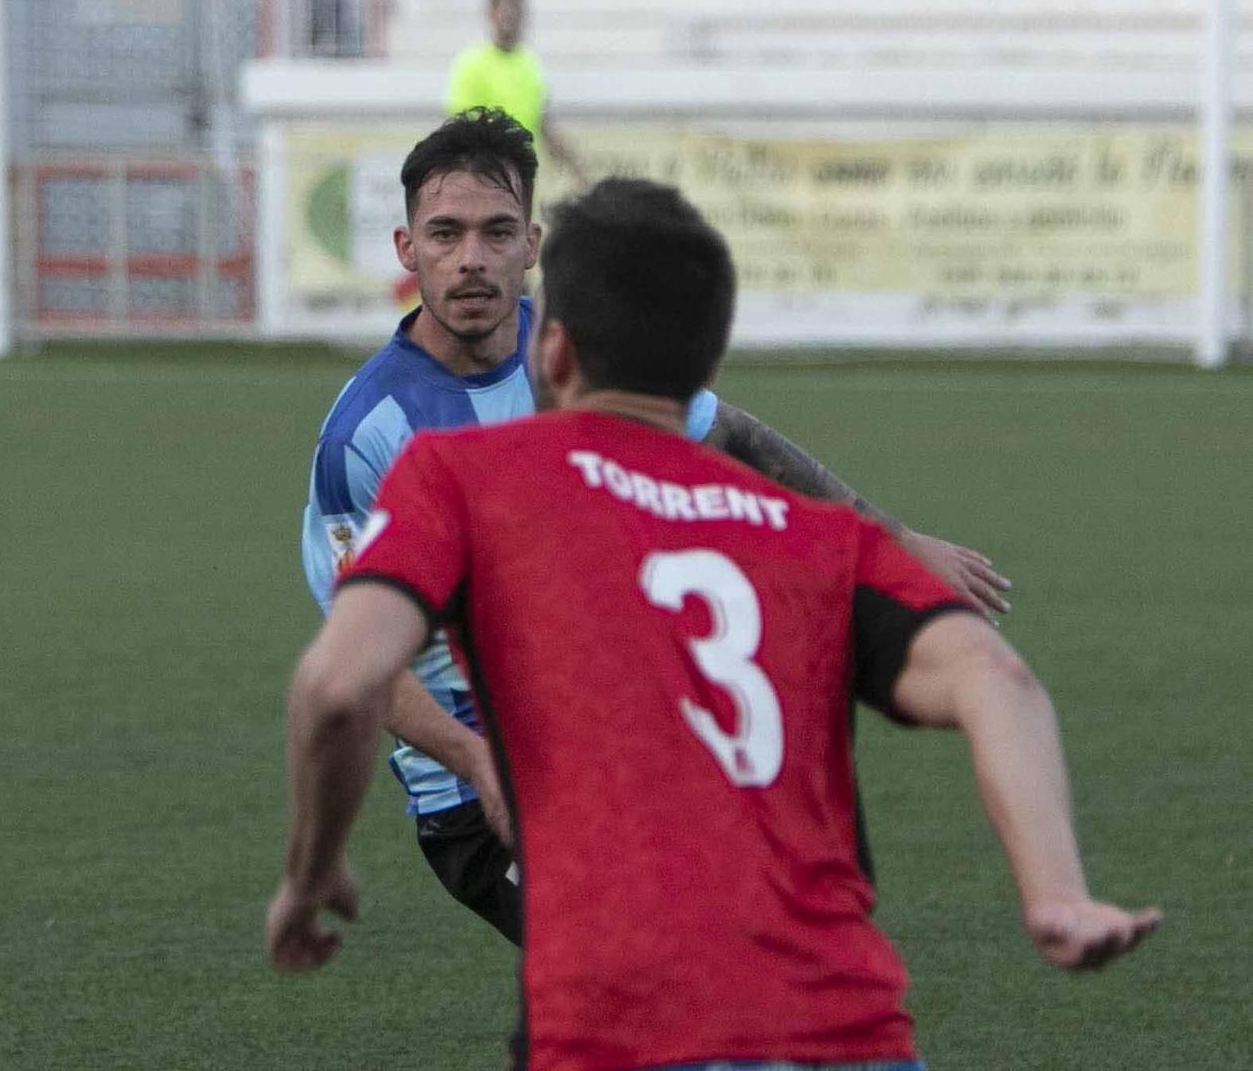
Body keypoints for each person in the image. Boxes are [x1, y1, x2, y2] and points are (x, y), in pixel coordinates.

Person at [270, 176, 1159, 1070]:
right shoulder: (817, 537)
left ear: (557, 354)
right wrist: (1057, 894)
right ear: (704, 370)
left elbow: (339, 682)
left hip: (627, 1028)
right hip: (847, 1033)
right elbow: (997, 680)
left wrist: (311, 876)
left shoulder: (466, 480)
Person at [302, 108, 1010, 946]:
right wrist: (474, 757)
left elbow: (729, 433)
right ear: (405, 249)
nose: (471, 260)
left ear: (531, 244)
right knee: (671, 958)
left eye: (496, 233)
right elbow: (362, 669)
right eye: (445, 233)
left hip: (621, 735)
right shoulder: (367, 434)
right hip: (483, 792)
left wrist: (894, 539)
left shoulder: (575, 353)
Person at [446, 0, 588, 184]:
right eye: (505, 12)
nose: (510, 18)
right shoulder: (470, 64)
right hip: (483, 178)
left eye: (516, 12)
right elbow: (461, 128)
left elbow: (542, 121)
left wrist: (576, 172)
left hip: (522, 175)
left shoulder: (530, 64)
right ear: (491, 14)